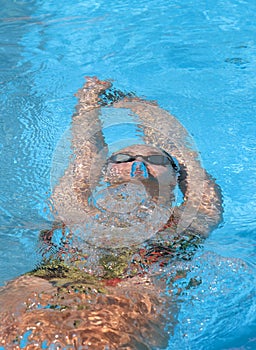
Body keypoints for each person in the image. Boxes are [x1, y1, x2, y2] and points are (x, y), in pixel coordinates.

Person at [0, 77, 222, 349]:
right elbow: (85, 154)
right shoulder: (76, 208)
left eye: (155, 160)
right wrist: (89, 101)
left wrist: (139, 107)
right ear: (105, 172)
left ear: (176, 177)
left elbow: (186, 161)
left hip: (138, 286)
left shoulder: (189, 219)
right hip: (51, 276)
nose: (138, 163)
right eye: (124, 158)